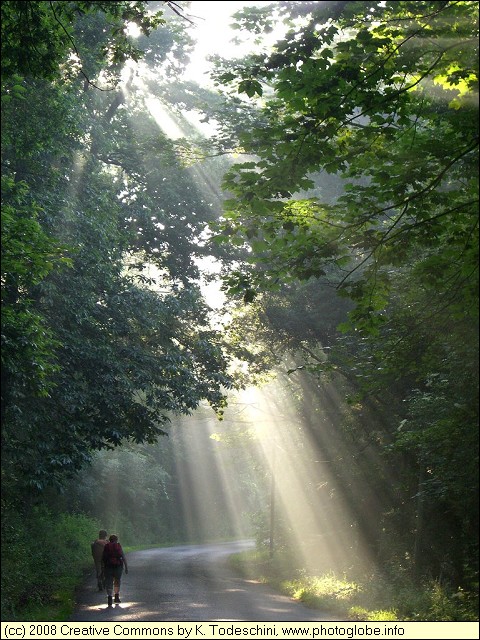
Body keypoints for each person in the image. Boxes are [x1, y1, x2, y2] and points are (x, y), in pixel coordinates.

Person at [102, 533, 128, 606]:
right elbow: (123, 557)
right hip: (118, 566)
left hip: (108, 567)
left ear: (109, 540)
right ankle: (116, 597)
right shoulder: (118, 546)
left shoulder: (106, 546)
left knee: (109, 582)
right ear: (116, 540)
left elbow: (103, 558)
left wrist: (102, 568)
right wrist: (126, 567)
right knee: (117, 581)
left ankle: (110, 598)